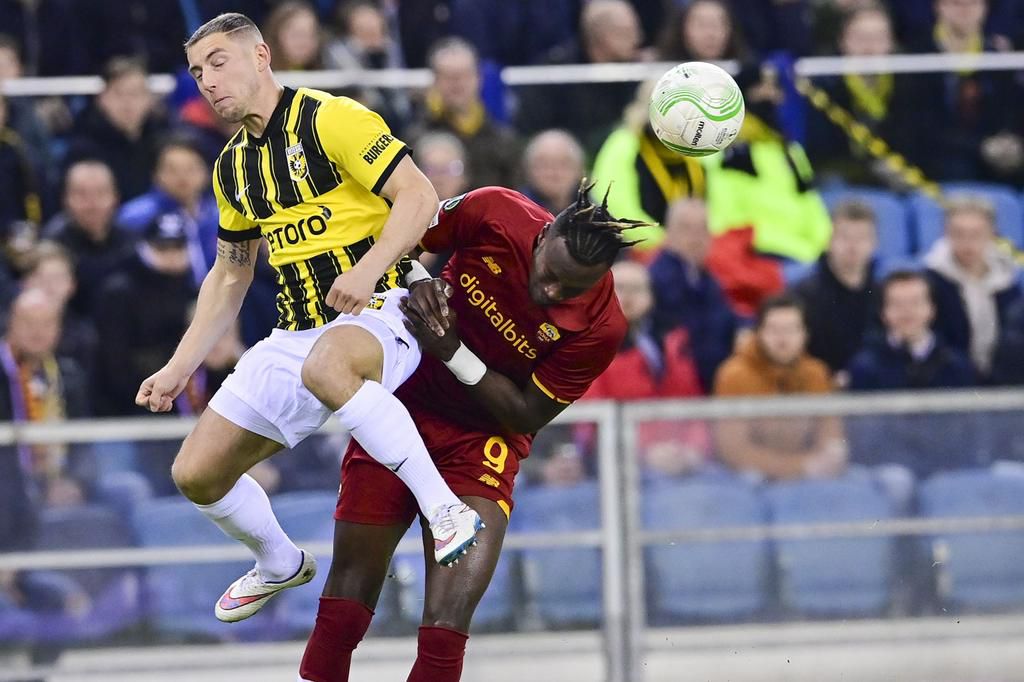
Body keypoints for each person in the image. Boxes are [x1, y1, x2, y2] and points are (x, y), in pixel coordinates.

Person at [136, 13, 481, 623]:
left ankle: (446, 509)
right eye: (196, 72)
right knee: (195, 474)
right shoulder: (231, 167)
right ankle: (277, 562)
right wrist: (178, 366)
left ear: (261, 55)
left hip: (389, 308)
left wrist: (371, 267)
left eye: (219, 62)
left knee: (330, 364)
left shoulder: (333, 118)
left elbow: (419, 196)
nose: (208, 82)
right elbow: (230, 274)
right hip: (297, 332)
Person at [298, 184, 641, 682]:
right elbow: (402, 235)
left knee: (445, 624)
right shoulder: (496, 210)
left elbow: (525, 414)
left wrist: (453, 352)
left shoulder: (602, 326)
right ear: (542, 237)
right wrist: (417, 280)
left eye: (571, 289)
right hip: (402, 410)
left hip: (484, 440)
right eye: (550, 276)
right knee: (346, 597)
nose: (552, 293)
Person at [846, 270, 978, 477]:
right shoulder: (865, 367)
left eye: (915, 303)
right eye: (897, 304)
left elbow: (969, 430)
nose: (907, 313)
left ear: (931, 309)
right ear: (884, 312)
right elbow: (864, 437)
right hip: (888, 471)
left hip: (947, 468)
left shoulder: (956, 365)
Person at [713, 294, 847, 481]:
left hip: (809, 476)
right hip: (752, 477)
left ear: (805, 334)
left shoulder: (816, 373)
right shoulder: (734, 375)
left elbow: (830, 435)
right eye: (774, 330)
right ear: (758, 332)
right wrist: (800, 466)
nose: (782, 339)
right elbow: (734, 449)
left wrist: (829, 457)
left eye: (791, 330)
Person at [906, 0, 1024, 183]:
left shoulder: (999, 54)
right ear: (939, 6)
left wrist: (1010, 140)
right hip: (941, 156)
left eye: (973, 4)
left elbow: (1010, 107)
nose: (965, 10)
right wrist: (979, 147)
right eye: (957, 3)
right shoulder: (918, 54)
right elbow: (921, 125)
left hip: (995, 151)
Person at [805, 3, 921, 187]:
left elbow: (918, 139)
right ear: (843, 41)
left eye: (877, 38)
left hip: (895, 178)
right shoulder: (823, 85)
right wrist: (869, 171)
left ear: (891, 42)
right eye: (860, 37)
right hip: (841, 175)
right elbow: (820, 150)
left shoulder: (909, 84)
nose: (869, 47)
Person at [95, 213, 199, 417]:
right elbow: (114, 362)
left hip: (178, 402)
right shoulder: (120, 291)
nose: (170, 256)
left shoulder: (193, 291)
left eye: (177, 248)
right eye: (162, 248)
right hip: (124, 408)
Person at [515, 0, 644, 154]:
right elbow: (529, 131)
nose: (637, 39)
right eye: (625, 32)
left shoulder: (638, 73)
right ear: (599, 34)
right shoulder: (554, 75)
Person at [591, 81, 706, 249]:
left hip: (698, 249)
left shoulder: (699, 147)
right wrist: (662, 243)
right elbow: (615, 204)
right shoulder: (624, 143)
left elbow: (716, 202)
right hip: (639, 248)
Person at [923, 195, 1021, 378]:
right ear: (945, 233)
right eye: (958, 234)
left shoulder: (1008, 281)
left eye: (976, 234)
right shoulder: (930, 282)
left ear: (992, 233)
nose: (967, 243)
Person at [649, 198, 739, 392]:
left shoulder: (709, 280)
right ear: (668, 233)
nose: (695, 238)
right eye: (686, 228)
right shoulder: (655, 282)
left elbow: (726, 320)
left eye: (702, 229)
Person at [409, 37, 520, 189]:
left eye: (464, 75)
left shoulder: (502, 141)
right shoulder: (414, 140)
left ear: (479, 78)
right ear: (435, 81)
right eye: (448, 76)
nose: (457, 83)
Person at [792, 199, 880, 377]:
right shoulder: (804, 296)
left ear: (874, 243)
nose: (852, 246)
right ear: (828, 240)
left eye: (862, 238)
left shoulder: (883, 294)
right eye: (844, 237)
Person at [42, 160, 136, 320]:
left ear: (116, 197)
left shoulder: (130, 239)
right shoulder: (53, 243)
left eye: (101, 193)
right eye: (81, 194)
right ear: (65, 199)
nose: (92, 204)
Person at [118, 136, 219, 283]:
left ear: (207, 173)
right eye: (172, 169)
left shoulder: (220, 216)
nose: (182, 177)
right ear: (155, 174)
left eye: (191, 168)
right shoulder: (134, 217)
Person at [65, 57, 169, 200]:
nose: (128, 103)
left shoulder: (163, 143)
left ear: (149, 99)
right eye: (119, 94)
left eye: (135, 94)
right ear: (102, 99)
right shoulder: (83, 149)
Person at [19, 241, 98, 383]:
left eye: (57, 278)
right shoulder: (7, 331)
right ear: (25, 283)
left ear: (72, 286)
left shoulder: (84, 337)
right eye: (40, 277)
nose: (49, 287)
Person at [519, 129, 586, 216]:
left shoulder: (597, 217)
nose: (554, 173)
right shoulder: (515, 213)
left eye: (563, 164)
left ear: (579, 169)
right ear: (528, 169)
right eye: (544, 165)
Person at [656, 0, 749, 63]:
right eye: (701, 25)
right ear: (682, 30)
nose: (710, 34)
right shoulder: (662, 77)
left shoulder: (750, 77)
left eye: (716, 25)